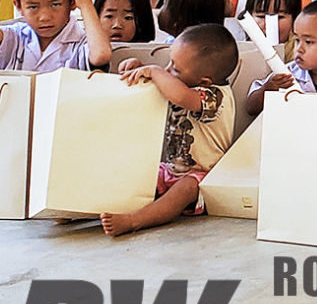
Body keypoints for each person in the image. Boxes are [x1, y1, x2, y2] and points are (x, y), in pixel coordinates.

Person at [99, 24, 240, 236]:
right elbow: (164, 84)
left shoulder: (217, 96)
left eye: (175, 68)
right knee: (132, 178)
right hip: (169, 169)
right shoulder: (180, 82)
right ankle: (83, 209)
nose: (167, 70)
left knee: (185, 189)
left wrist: (153, 71)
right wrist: (139, 69)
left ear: (204, 81)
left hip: (202, 177)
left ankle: (134, 220)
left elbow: (181, 96)